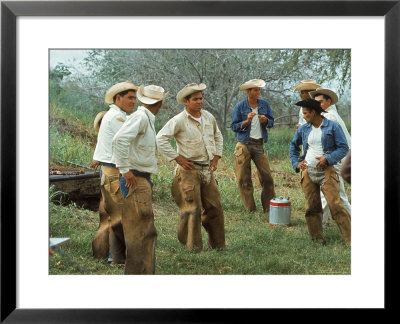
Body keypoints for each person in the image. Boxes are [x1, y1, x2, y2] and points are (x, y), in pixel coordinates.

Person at [156, 83, 225, 251]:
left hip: (206, 169)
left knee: (214, 206)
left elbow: (218, 136)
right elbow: (161, 138)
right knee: (192, 209)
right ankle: (193, 247)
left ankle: (218, 245)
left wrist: (216, 157)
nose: (200, 102)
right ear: (186, 101)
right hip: (188, 170)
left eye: (201, 98)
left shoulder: (208, 117)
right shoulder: (179, 120)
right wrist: (177, 158)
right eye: (195, 99)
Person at [111, 84, 168, 274]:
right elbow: (119, 140)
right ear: (159, 103)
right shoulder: (141, 117)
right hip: (136, 178)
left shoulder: (145, 118)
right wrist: (125, 170)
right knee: (141, 233)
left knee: (143, 231)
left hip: (140, 178)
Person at [289, 98, 351, 245]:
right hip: (308, 171)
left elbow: (343, 148)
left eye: (305, 113)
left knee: (336, 205)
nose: (303, 116)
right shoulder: (304, 129)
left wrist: (328, 158)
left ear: (314, 112)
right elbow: (293, 146)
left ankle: (351, 239)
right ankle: (317, 239)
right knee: (312, 207)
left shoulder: (333, 126)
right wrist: (297, 163)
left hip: (326, 171)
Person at [90, 81, 138, 264]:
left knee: (109, 214)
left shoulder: (113, 116)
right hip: (114, 171)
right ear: (118, 98)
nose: (133, 102)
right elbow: (127, 143)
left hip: (109, 170)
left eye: (134, 98)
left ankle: (103, 253)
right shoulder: (117, 118)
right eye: (130, 98)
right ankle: (115, 257)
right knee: (118, 215)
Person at [230, 79, 276, 213]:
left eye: (259, 90)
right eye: (255, 90)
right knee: (244, 179)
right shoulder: (240, 106)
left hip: (259, 144)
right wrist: (246, 121)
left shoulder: (265, 105)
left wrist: (266, 120)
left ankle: (269, 209)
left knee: (267, 177)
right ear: (248, 91)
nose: (258, 92)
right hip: (244, 145)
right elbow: (234, 126)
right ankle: (250, 210)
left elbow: (272, 122)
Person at [309, 87, 351, 225]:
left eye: (320, 102)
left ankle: (319, 224)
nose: (317, 105)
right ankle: (323, 222)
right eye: (316, 102)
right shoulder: (329, 114)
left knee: (328, 191)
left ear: (329, 101)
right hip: (341, 158)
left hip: (339, 159)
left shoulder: (329, 117)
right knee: (337, 194)